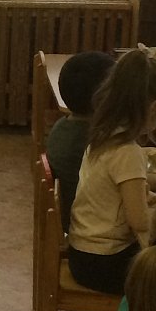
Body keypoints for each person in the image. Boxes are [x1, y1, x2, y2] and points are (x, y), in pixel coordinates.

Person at [67, 49, 156, 296]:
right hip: (104, 262)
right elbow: (139, 222)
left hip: (84, 254)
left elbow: (117, 192)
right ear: (154, 109)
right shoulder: (127, 151)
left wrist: (150, 198)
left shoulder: (103, 135)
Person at [46, 51, 116, 229]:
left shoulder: (62, 126)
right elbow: (127, 181)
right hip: (93, 224)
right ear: (103, 99)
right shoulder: (93, 141)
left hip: (74, 218)